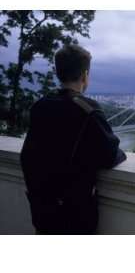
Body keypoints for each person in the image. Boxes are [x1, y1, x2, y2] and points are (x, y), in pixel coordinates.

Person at [20, 44, 126, 235]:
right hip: (74, 214)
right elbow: (110, 155)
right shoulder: (87, 110)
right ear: (85, 76)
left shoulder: (41, 106)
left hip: (42, 209)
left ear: (59, 73)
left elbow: (29, 155)